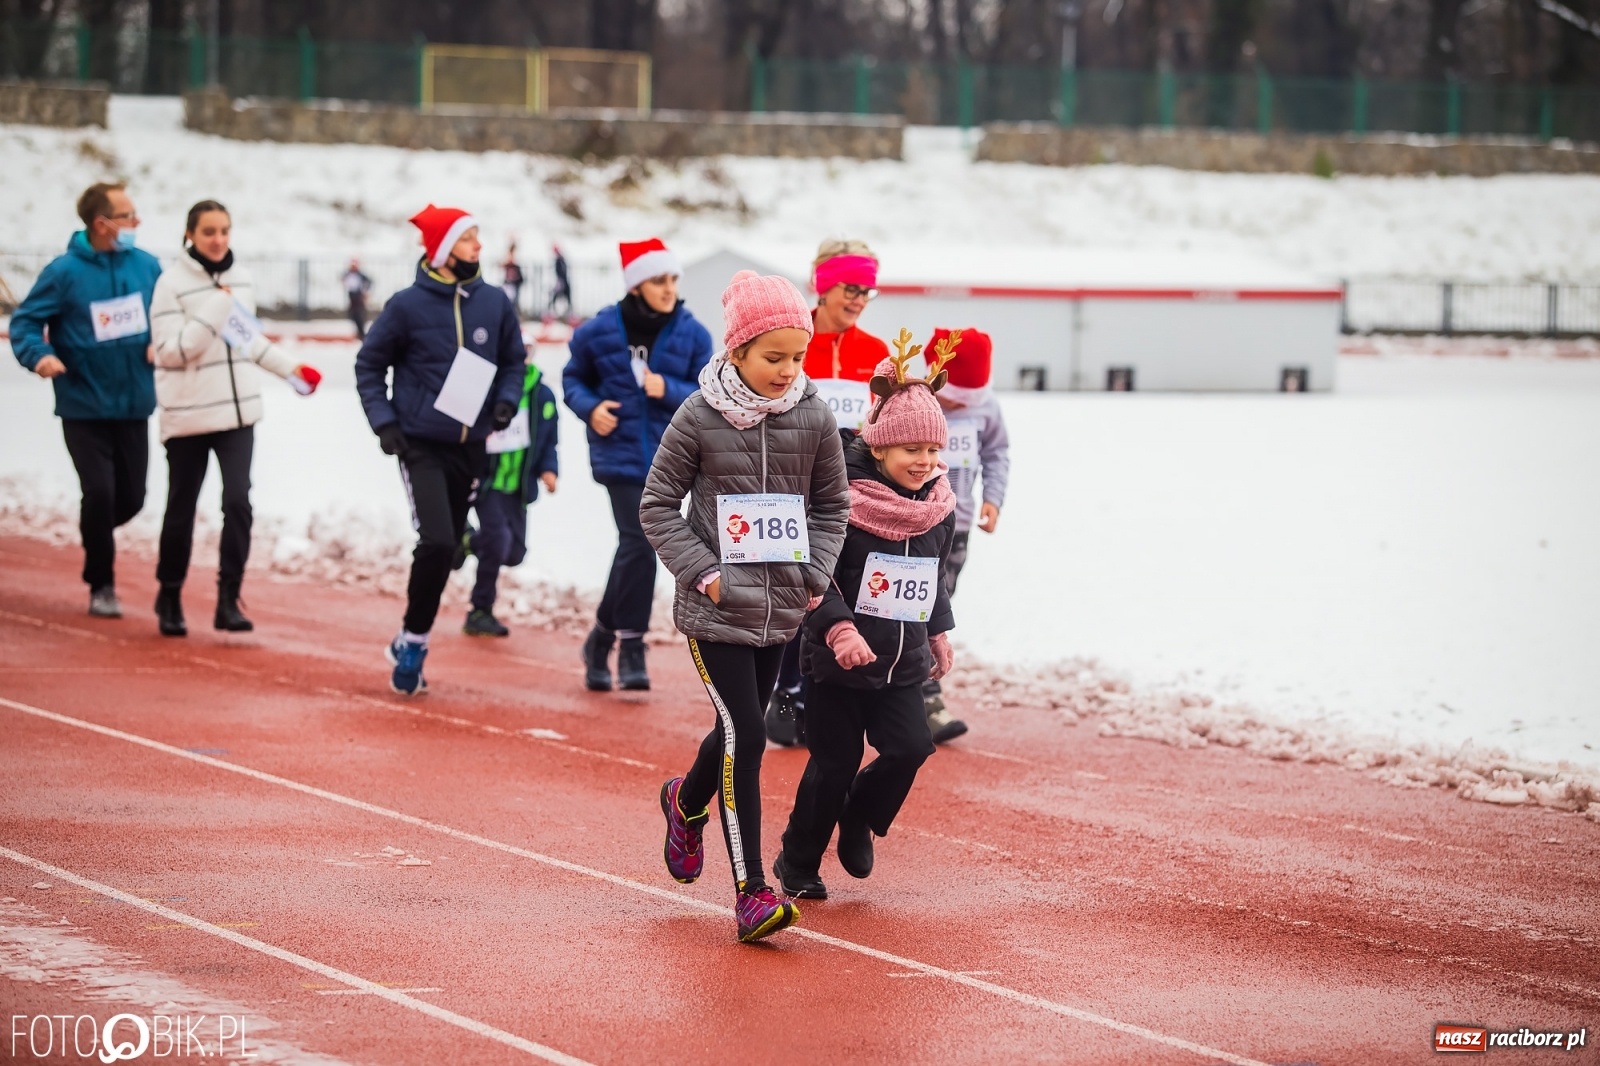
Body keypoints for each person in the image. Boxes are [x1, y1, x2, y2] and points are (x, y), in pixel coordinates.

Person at [641, 269, 850, 942]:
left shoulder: (815, 415)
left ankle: (686, 800)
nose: (789, 370)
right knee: (749, 737)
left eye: (799, 355)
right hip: (717, 608)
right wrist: (702, 572)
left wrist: (816, 573)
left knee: (737, 730)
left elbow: (832, 506)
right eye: (774, 357)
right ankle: (752, 893)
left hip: (783, 605)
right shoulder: (697, 416)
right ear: (737, 352)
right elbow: (656, 506)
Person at [773, 332, 958, 901]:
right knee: (835, 763)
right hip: (838, 660)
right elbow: (815, 575)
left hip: (901, 658)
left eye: (932, 450)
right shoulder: (842, 500)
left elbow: (934, 574)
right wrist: (838, 628)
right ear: (878, 448)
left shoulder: (936, 506)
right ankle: (797, 861)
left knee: (909, 749)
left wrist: (939, 630)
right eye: (911, 451)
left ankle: (859, 816)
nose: (924, 462)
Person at [355, 204, 525, 696]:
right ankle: (413, 640)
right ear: (444, 249)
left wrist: (505, 403)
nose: (479, 246)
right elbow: (368, 366)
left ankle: (411, 632)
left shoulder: (493, 302)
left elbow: (514, 362)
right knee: (435, 541)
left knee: (448, 546)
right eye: (470, 238)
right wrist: (385, 423)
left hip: (471, 446)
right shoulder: (406, 305)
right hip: (420, 443)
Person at [148, 199, 321, 637]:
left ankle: (229, 598)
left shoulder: (240, 279)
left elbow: (247, 341)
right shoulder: (170, 285)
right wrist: (213, 310)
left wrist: (292, 370)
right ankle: (169, 593)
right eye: (208, 231)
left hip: (238, 411)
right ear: (189, 234)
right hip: (188, 415)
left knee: (239, 502)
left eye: (224, 230)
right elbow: (171, 352)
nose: (218, 239)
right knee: (182, 507)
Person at [562, 238, 712, 692]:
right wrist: (590, 408)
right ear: (635, 285)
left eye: (672, 279)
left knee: (636, 546)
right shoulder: (599, 331)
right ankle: (631, 644)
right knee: (639, 542)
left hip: (671, 458)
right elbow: (572, 378)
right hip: (620, 453)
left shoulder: (693, 333)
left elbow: (707, 395)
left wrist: (667, 388)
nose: (668, 288)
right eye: (657, 280)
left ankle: (603, 637)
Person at [9, 181, 162, 618]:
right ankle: (102, 583)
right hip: (83, 404)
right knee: (98, 491)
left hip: (134, 402)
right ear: (102, 224)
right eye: (128, 216)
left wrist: (161, 341)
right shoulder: (63, 273)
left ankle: (93, 531)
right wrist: (40, 357)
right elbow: (24, 324)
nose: (137, 223)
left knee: (131, 498)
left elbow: (167, 316)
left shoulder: (148, 267)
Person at [766, 238, 891, 747]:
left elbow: (885, 424)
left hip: (851, 490)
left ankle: (819, 686)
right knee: (795, 583)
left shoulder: (878, 353)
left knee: (836, 585)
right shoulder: (794, 339)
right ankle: (785, 687)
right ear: (823, 285)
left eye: (867, 290)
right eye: (850, 288)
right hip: (791, 482)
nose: (859, 298)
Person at [919, 328, 1010, 742]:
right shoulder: (913, 399)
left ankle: (922, 695)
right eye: (952, 395)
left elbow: (996, 453)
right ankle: (916, 695)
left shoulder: (986, 408)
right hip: (912, 523)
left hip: (957, 526)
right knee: (904, 605)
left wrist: (993, 498)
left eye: (966, 400)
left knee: (937, 609)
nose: (957, 405)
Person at [462, 357, 560, 637]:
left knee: (514, 553)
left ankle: (467, 541)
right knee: (498, 541)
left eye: (526, 350)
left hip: (518, 487)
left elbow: (550, 439)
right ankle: (480, 610)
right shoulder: (488, 387)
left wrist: (549, 470)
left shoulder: (543, 395)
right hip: (488, 483)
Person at [343, 259, 372, 340]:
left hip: (359, 296)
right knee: (353, 314)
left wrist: (365, 291)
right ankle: (358, 331)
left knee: (359, 314)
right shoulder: (348, 274)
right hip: (351, 296)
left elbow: (368, 282)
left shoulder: (361, 275)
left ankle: (361, 332)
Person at [547, 244, 572, 321]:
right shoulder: (559, 260)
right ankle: (552, 310)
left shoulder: (560, 260)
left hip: (562, 281)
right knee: (557, 296)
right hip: (561, 281)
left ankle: (567, 311)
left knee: (565, 296)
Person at [501, 240, 524, 310]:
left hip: (514, 282)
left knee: (513, 301)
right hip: (510, 283)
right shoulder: (510, 259)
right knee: (511, 301)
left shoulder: (512, 258)